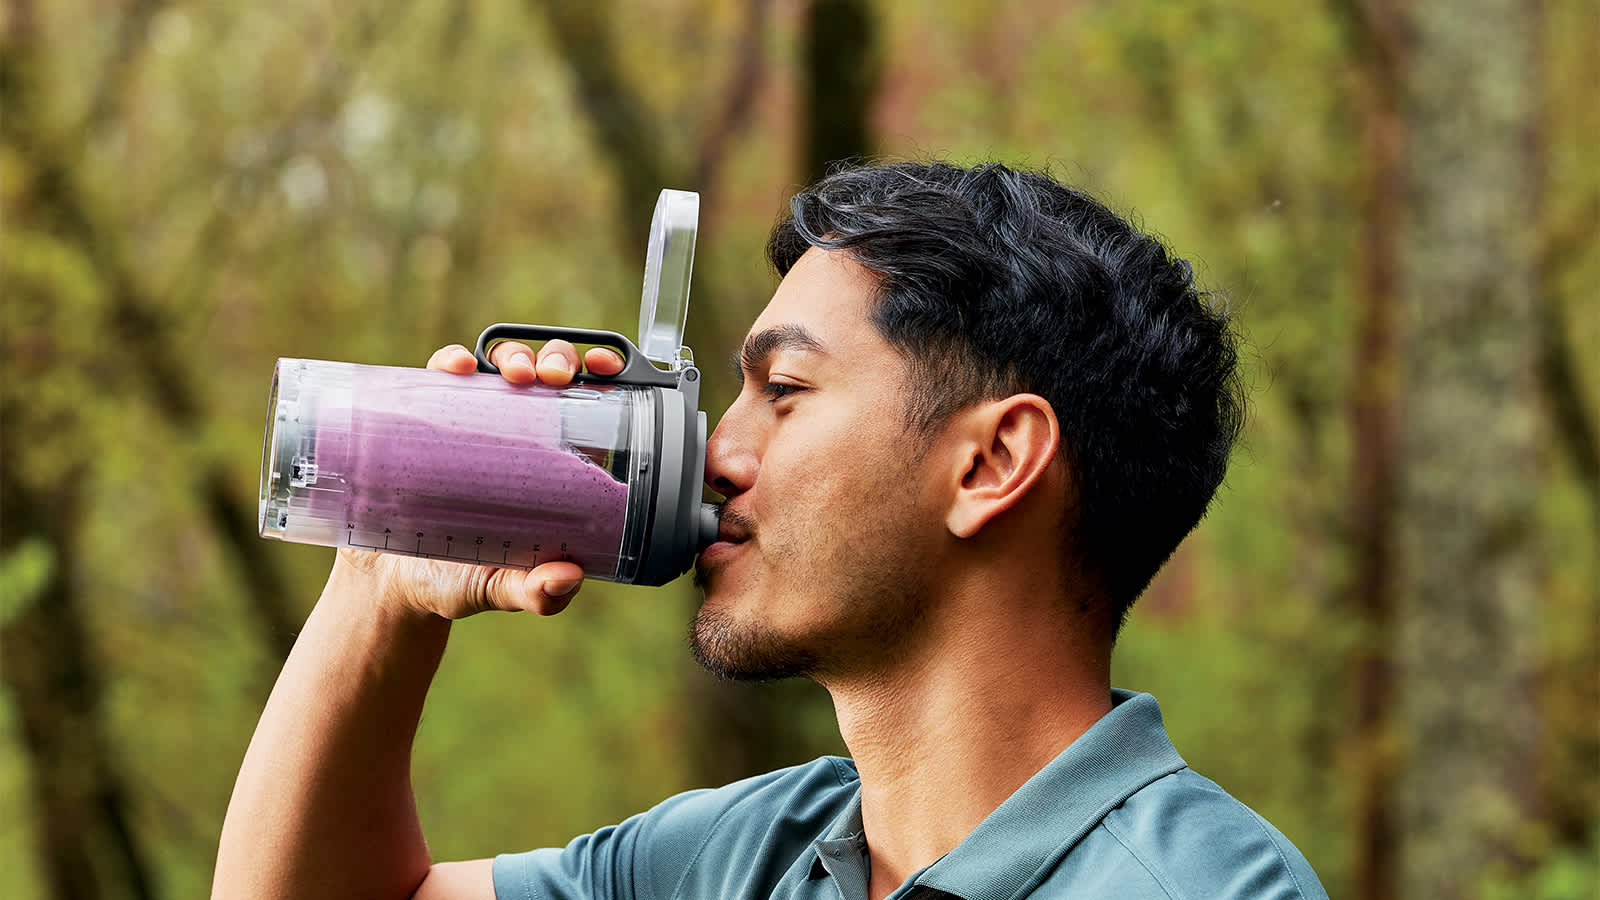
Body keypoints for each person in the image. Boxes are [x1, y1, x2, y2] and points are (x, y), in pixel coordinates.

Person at [214, 161, 1329, 900]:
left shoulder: (1200, 888)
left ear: (989, 463)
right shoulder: (744, 855)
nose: (716, 451)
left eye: (781, 390)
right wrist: (382, 583)